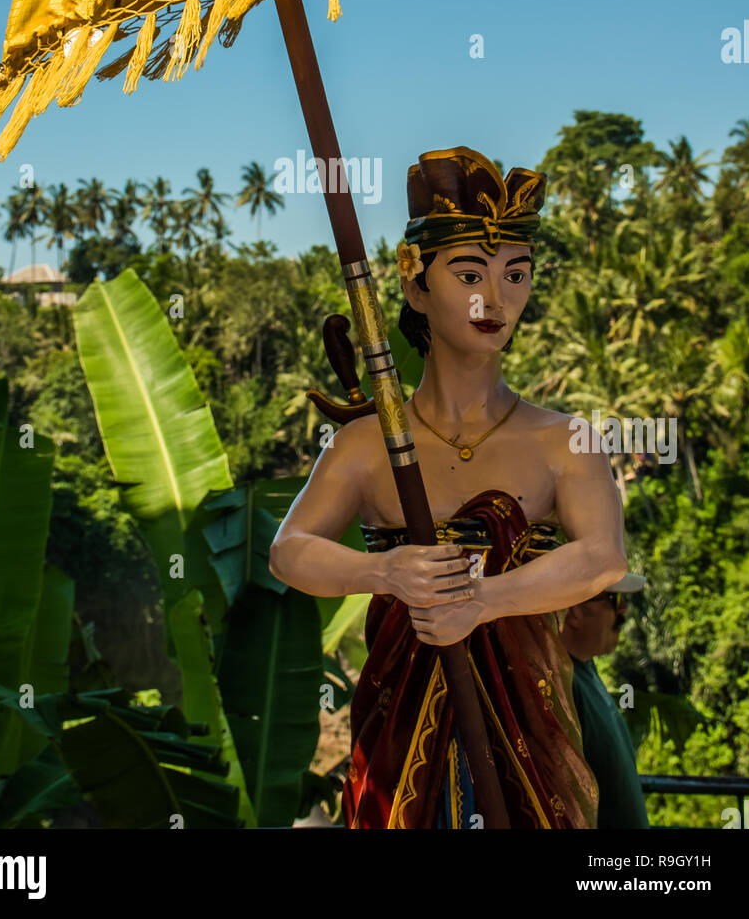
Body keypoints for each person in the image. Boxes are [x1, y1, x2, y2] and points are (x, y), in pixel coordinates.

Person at [269, 146, 628, 828]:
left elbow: (602, 557)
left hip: (529, 726)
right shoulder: (368, 443)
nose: (495, 300)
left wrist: (485, 599)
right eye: (469, 274)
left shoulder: (565, 439)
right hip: (400, 724)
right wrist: (386, 571)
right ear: (414, 288)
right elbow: (289, 550)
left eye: (515, 275)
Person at [561, 576, 651, 829]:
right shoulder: (562, 685)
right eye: (615, 599)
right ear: (575, 610)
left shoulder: (585, 669)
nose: (623, 609)